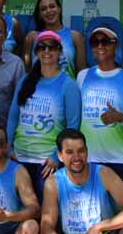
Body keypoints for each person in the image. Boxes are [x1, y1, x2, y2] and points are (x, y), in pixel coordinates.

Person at [6, 30, 81, 198]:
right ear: (36, 52)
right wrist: (8, 147)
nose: (46, 51)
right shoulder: (25, 80)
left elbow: (73, 126)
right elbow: (13, 116)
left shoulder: (68, 85)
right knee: (22, 210)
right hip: (19, 159)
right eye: (41, 47)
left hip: (47, 162)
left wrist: (57, 156)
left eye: (52, 47)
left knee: (47, 210)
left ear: (59, 51)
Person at [77, 26, 123, 182]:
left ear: (116, 45)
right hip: (87, 158)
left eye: (106, 41)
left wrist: (120, 117)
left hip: (117, 159)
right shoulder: (83, 76)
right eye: (95, 42)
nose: (100, 46)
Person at [22, 0, 85, 77]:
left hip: (66, 84)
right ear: (40, 14)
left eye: (52, 6)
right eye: (43, 9)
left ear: (59, 9)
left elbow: (81, 73)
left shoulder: (75, 36)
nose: (48, 11)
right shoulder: (31, 37)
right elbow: (27, 71)